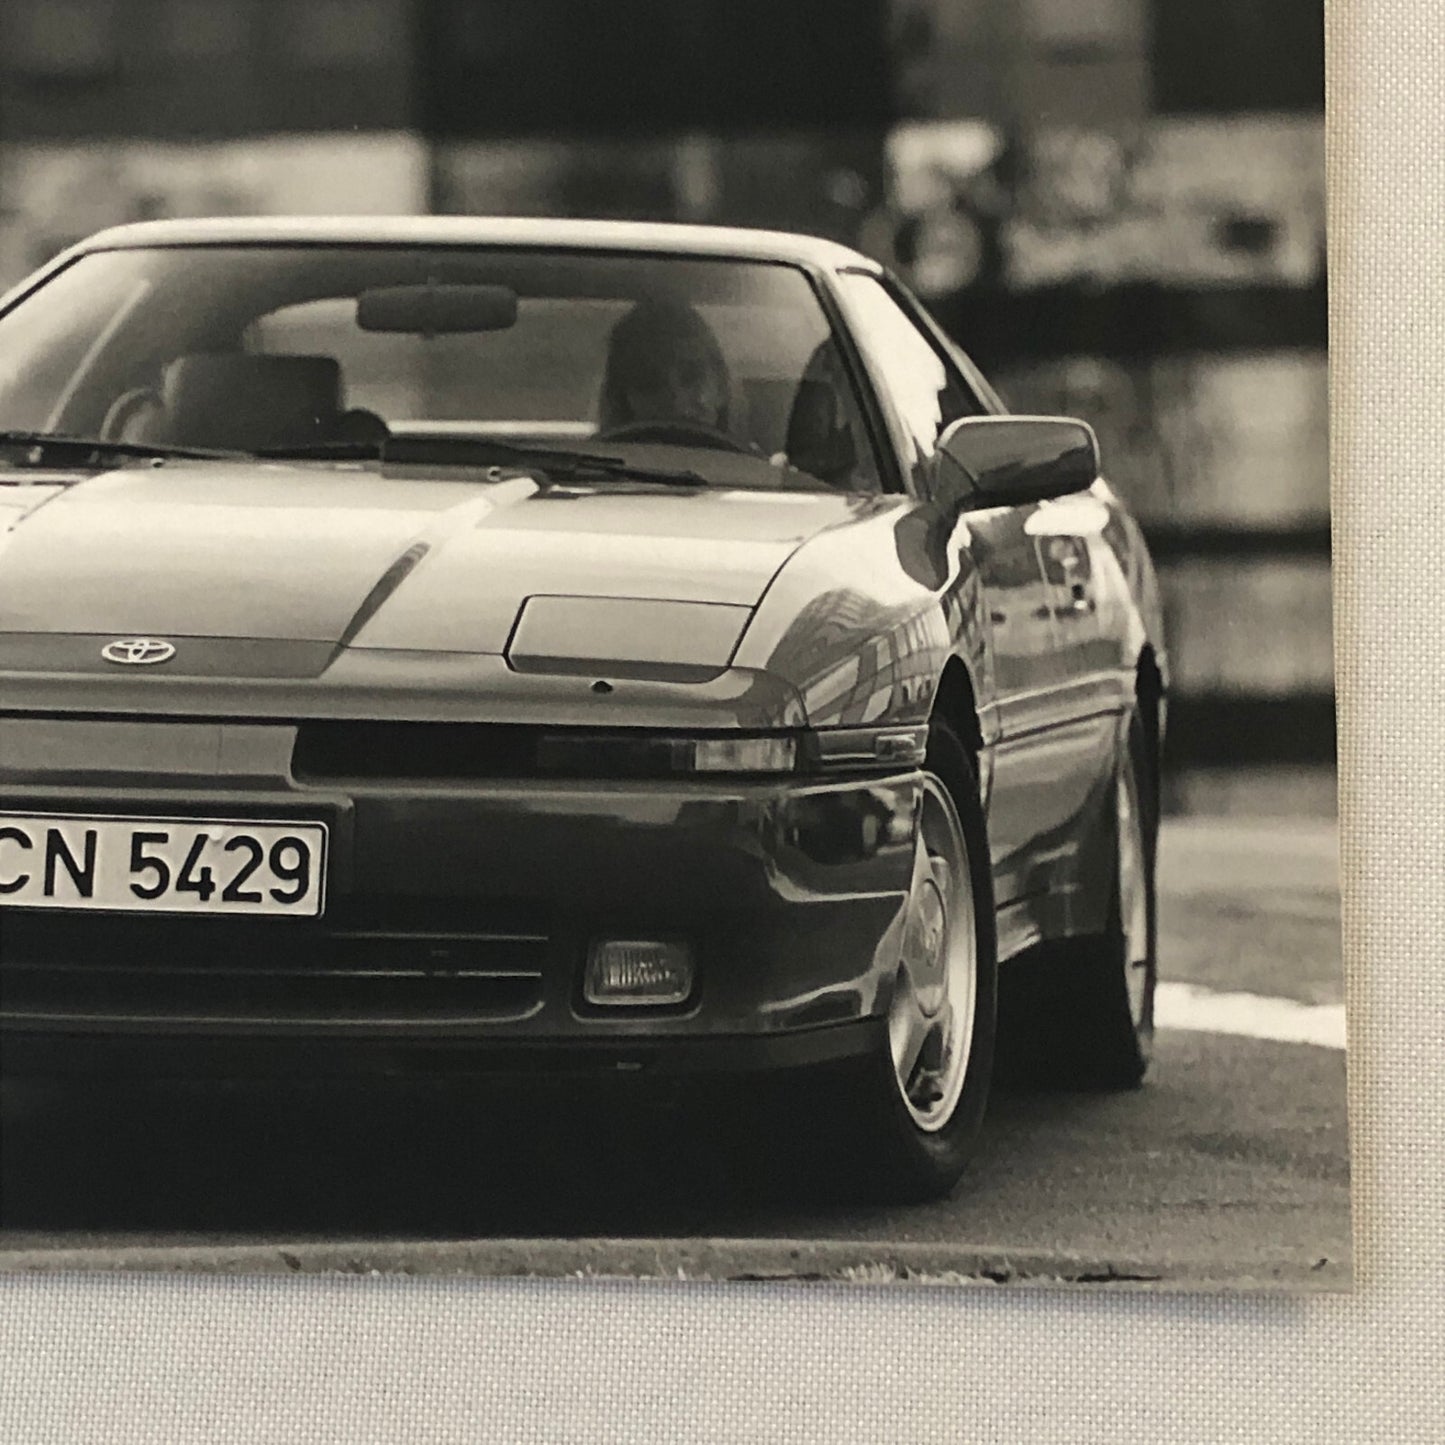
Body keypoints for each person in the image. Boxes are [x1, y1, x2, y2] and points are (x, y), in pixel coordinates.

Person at [596, 296, 735, 441]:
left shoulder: (755, 464)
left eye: (691, 376)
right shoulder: (577, 462)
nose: (676, 401)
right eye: (652, 382)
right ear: (622, 398)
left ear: (720, 385)